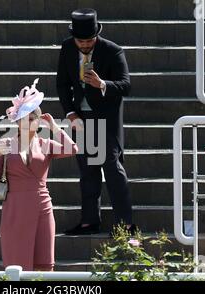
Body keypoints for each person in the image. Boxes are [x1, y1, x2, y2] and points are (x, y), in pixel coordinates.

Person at [56, 8, 137, 236]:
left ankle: (126, 225)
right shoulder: (67, 47)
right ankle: (90, 221)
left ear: (96, 36)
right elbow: (62, 84)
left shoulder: (112, 50)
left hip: (105, 119)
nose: (84, 45)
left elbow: (126, 85)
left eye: (88, 41)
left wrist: (102, 84)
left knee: (112, 170)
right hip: (81, 120)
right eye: (80, 41)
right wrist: (70, 113)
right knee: (87, 171)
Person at [0, 79, 79, 271]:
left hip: (42, 208)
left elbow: (73, 148)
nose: (27, 122)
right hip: (15, 210)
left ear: (39, 121)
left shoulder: (45, 144)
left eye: (31, 118)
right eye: (22, 118)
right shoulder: (7, 144)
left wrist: (54, 127)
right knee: (16, 268)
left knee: (44, 267)